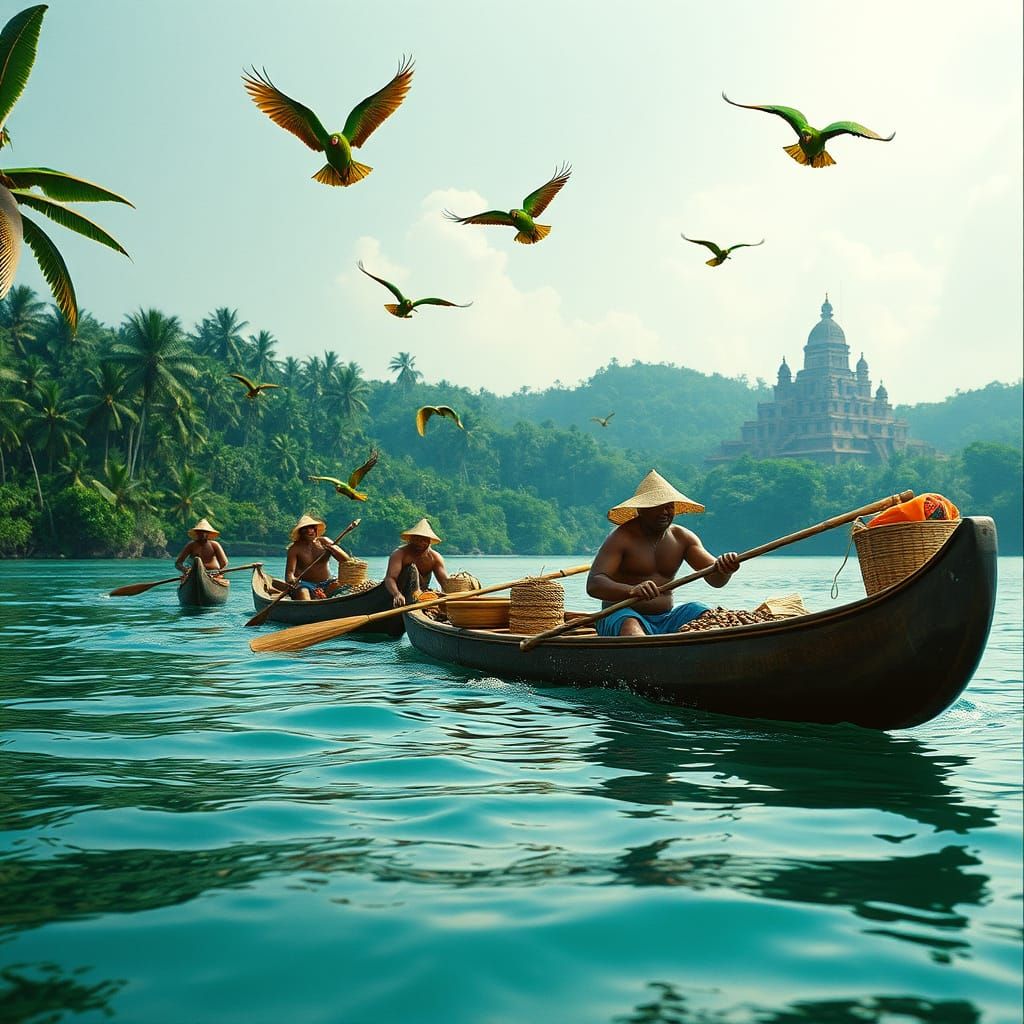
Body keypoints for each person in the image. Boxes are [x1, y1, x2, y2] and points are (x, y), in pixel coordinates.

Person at [586, 470, 741, 636]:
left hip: (667, 618)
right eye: (657, 507)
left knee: (704, 612)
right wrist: (631, 590)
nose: (665, 512)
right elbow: (594, 584)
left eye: (669, 507)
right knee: (630, 626)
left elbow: (716, 580)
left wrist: (726, 569)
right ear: (641, 510)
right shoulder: (621, 538)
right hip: (622, 615)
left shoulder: (683, 538)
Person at [284, 514, 350, 600]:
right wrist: (292, 581)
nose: (309, 531)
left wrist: (334, 549)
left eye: (311, 528)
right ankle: (310, 606)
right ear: (300, 532)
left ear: (315, 530)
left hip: (327, 583)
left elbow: (346, 560)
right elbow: (289, 573)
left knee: (344, 587)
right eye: (305, 529)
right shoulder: (294, 549)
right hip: (305, 585)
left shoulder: (324, 541)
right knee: (303, 592)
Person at [385, 518, 449, 607]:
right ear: (410, 540)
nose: (420, 543)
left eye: (423, 540)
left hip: (421, 597)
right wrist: (397, 594)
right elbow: (390, 578)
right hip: (399, 594)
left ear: (429, 541)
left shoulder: (435, 558)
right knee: (411, 568)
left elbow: (445, 583)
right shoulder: (399, 554)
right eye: (417, 539)